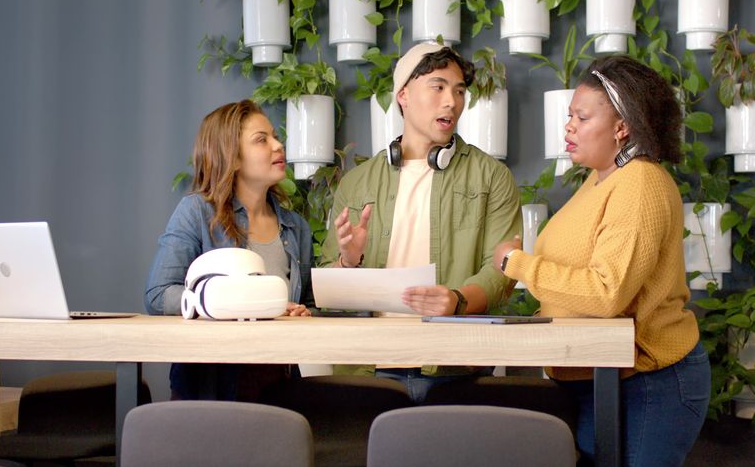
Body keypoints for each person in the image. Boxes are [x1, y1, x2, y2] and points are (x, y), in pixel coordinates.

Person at [493, 55, 710, 467]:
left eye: (582, 117)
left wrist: (518, 264)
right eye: (570, 116)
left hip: (649, 384)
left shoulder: (640, 184)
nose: (569, 127)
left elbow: (606, 293)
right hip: (599, 381)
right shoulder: (601, 179)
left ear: (622, 127)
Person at [321, 43, 522, 403]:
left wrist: (457, 301)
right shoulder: (357, 183)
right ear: (403, 95)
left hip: (455, 370)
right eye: (438, 87)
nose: (451, 102)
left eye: (459, 91)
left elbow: (502, 273)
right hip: (368, 370)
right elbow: (328, 292)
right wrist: (348, 262)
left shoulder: (492, 177)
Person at [145, 99, 313, 402]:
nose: (278, 145)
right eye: (261, 140)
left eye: (275, 137)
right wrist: (235, 302)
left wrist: (303, 310)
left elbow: (308, 304)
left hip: (280, 384)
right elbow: (158, 295)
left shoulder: (296, 226)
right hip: (207, 389)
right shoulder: (196, 212)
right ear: (232, 157)